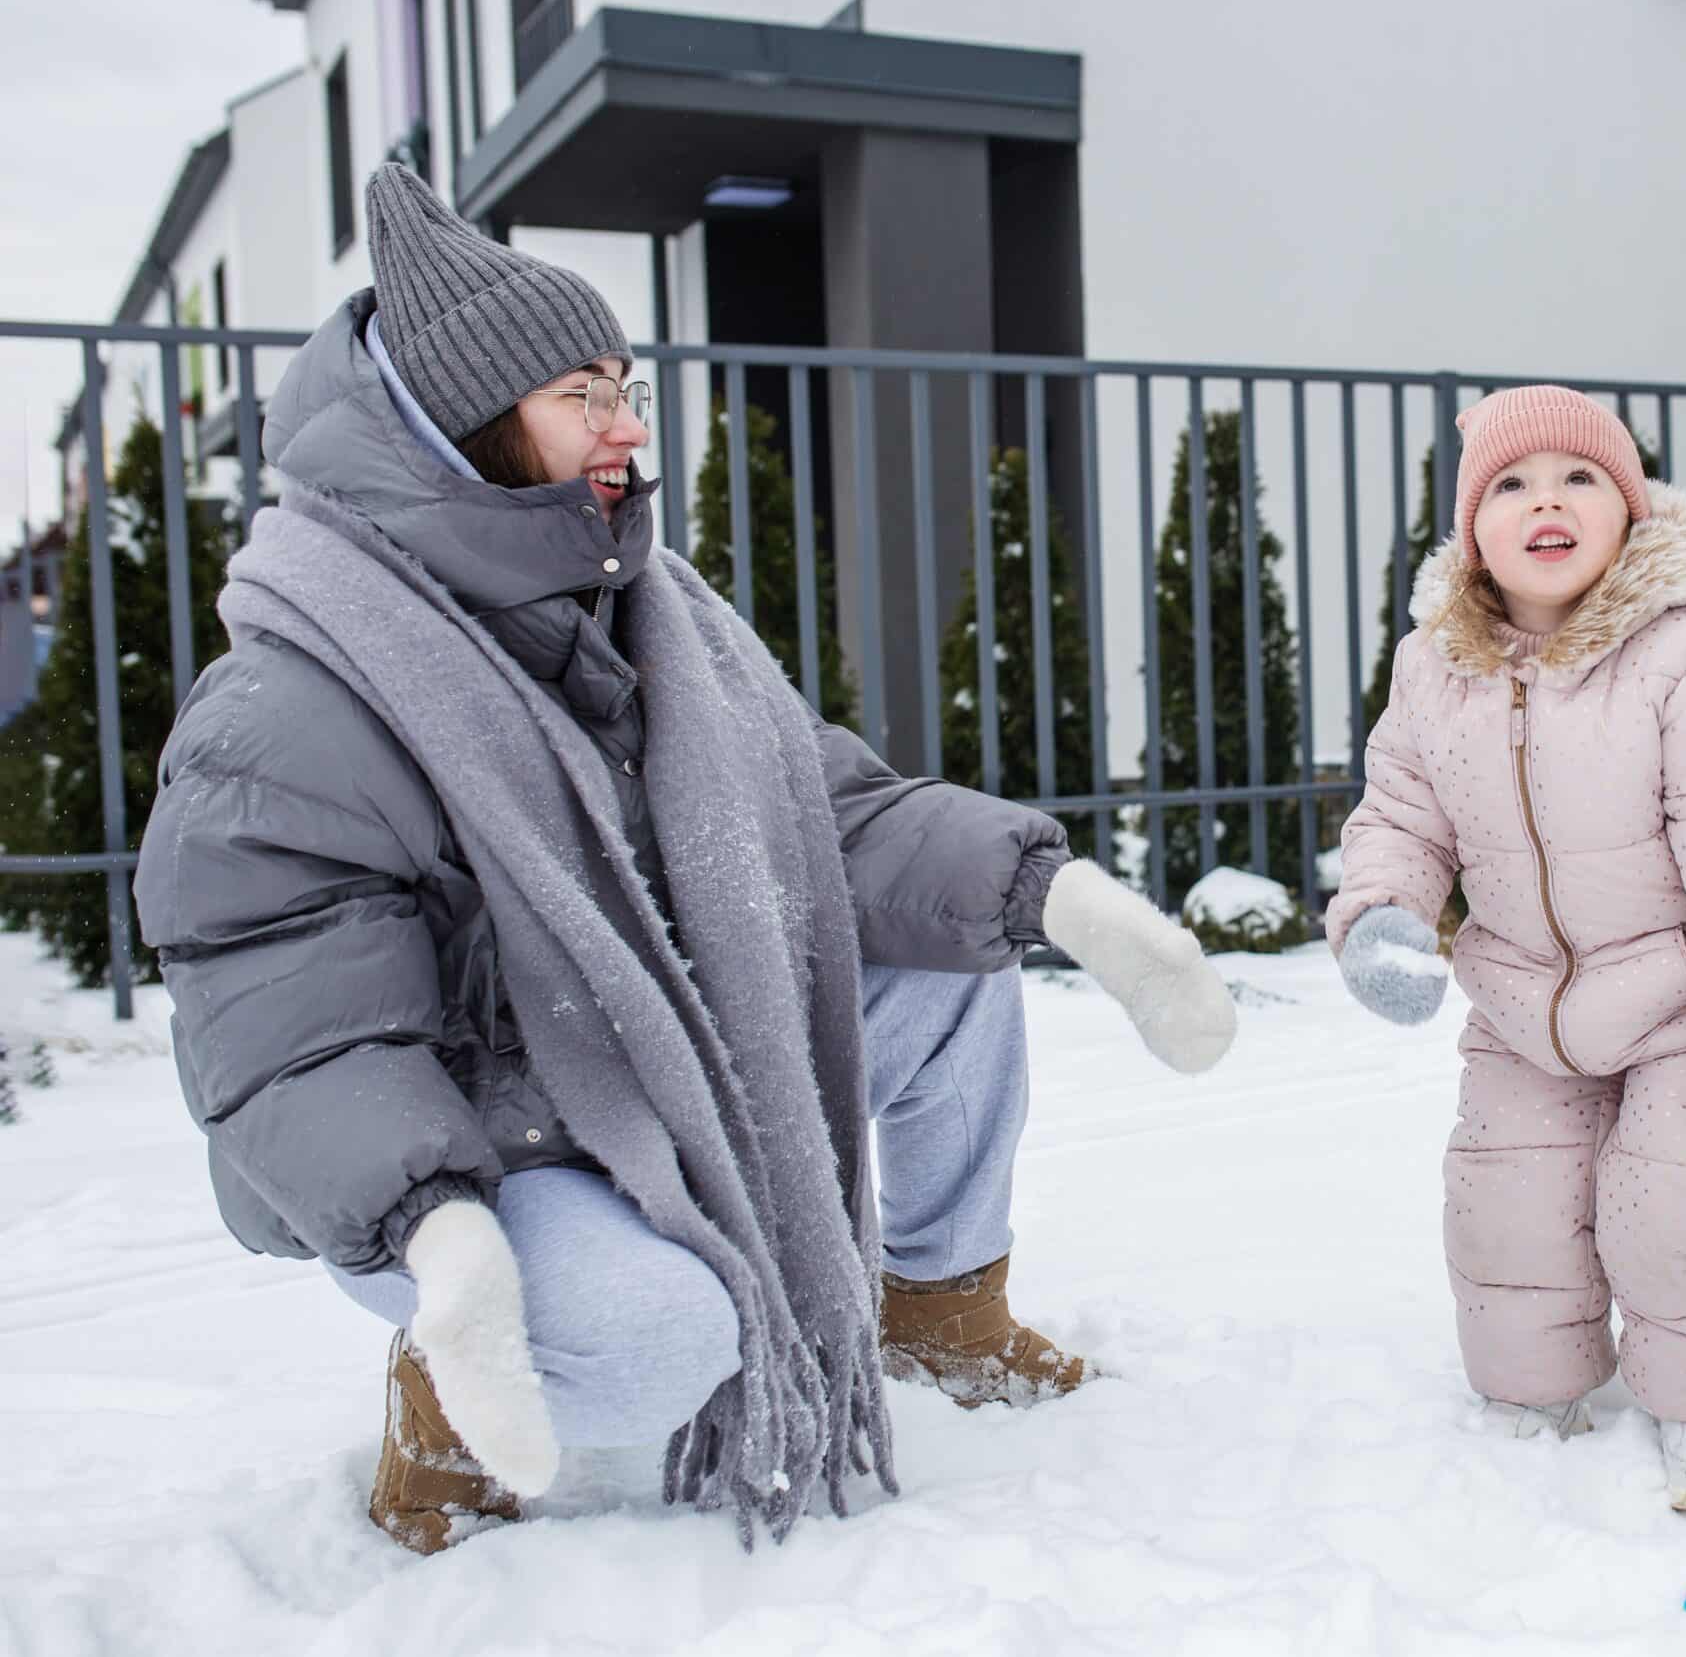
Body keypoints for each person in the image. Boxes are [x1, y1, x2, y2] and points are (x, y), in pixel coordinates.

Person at [134, 163, 1236, 1555]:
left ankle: (942, 1306)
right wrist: (441, 1236)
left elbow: (828, 823)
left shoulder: (649, 615)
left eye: (624, 384)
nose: (628, 427)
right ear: (460, 424)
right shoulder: (301, 696)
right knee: (666, 1343)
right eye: (582, 395)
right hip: (475, 1147)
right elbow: (296, 1032)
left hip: (659, 1071)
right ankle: (442, 1390)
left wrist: (1057, 898)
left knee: (951, 974)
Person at [1326, 385, 1686, 1511]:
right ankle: (1531, 1392)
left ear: (1628, 511)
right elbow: (1400, 815)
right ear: (1473, 530)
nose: (1543, 500)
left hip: (1682, 1004)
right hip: (1520, 1005)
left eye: (1577, 477)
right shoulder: (1433, 666)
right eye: (1509, 483)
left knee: (1681, 1206)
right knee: (1506, 1207)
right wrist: (1382, 918)